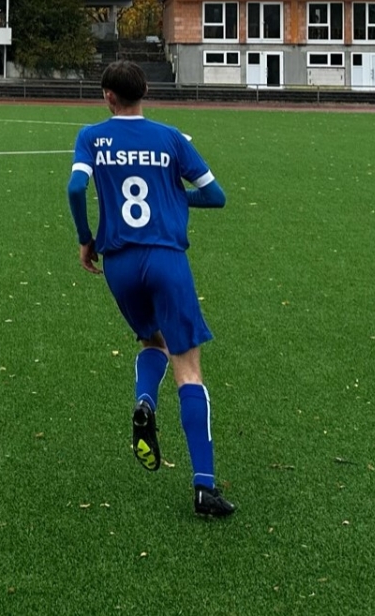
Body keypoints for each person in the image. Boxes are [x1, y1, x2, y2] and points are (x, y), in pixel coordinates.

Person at [67, 61, 234, 518]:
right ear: (145, 92)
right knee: (189, 369)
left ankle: (144, 399)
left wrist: (85, 238)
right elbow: (216, 195)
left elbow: (76, 188)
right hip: (166, 259)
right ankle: (204, 488)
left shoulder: (91, 137)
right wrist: (176, 197)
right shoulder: (171, 138)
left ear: (108, 96)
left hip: (120, 263)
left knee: (151, 340)